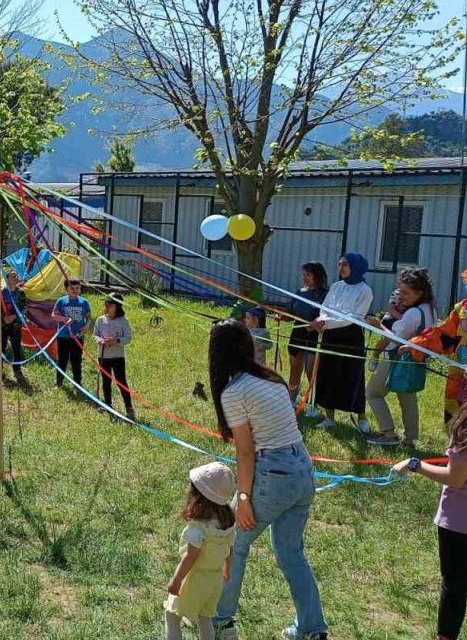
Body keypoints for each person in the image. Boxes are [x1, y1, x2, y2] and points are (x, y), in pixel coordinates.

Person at [208, 319, 328, 640]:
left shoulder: (235, 392)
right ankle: (313, 628)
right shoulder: (272, 380)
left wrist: (244, 499)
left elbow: (246, 453)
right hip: (303, 470)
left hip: (273, 474)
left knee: (232, 542)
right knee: (291, 554)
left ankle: (220, 622)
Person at [392, 352, 467, 640]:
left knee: (454, 585)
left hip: (460, 521)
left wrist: (416, 465)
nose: (465, 385)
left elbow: (456, 478)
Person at [408, 256, 467, 424]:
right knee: (461, 408)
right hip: (463, 370)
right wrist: (417, 344)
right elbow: (445, 333)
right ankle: (460, 445)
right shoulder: (464, 308)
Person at [363, 266, 436, 445]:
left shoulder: (412, 313)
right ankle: (411, 438)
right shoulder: (430, 309)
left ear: (419, 292)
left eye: (406, 292)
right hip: (415, 361)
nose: (401, 296)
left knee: (372, 393)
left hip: (396, 359)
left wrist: (378, 325)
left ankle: (388, 434)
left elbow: (395, 339)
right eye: (400, 291)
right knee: (407, 397)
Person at [164, 462, 237, 640]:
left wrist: (177, 580)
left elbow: (191, 557)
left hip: (193, 580)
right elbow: (230, 550)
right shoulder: (226, 525)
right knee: (205, 618)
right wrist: (227, 569)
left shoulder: (197, 528)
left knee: (172, 616)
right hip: (214, 580)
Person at [308, 252, 374, 430]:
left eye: (345, 264)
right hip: (330, 334)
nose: (341, 268)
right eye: (339, 265)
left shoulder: (365, 290)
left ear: (355, 266)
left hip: (350, 337)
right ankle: (329, 417)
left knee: (352, 376)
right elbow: (325, 308)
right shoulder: (336, 286)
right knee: (328, 374)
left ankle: (361, 418)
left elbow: (354, 317)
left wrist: (326, 322)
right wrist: (322, 320)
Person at [287, 262, 328, 404]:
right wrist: (282, 316)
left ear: (317, 276)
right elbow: (291, 312)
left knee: (311, 371)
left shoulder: (324, 295)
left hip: (314, 335)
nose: (305, 278)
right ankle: (291, 400)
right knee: (294, 368)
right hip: (298, 333)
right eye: (304, 275)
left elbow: (326, 315)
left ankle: (313, 402)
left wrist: (316, 322)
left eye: (308, 275)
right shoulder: (299, 293)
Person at [95, 295, 135, 421]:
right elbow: (95, 335)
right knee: (106, 382)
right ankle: (108, 404)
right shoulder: (100, 320)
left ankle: (128, 407)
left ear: (117, 306)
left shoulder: (123, 321)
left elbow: (128, 338)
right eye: (105, 304)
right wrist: (100, 340)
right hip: (103, 356)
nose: (106, 306)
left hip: (117, 357)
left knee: (121, 382)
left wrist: (116, 340)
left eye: (110, 304)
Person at [51, 278, 92, 389]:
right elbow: (54, 316)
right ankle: (59, 382)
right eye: (72, 288)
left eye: (77, 288)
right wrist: (64, 319)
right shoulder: (61, 301)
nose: (75, 290)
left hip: (78, 336)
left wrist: (86, 326)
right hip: (63, 335)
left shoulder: (84, 302)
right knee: (62, 359)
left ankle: (77, 383)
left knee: (76, 359)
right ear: (66, 289)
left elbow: (89, 318)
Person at [1, 270, 27, 379]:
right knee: (1, 347)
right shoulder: (2, 292)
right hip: (3, 325)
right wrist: (4, 317)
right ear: (7, 279)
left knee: (17, 348)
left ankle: (17, 370)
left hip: (16, 325)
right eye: (13, 276)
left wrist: (13, 317)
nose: (16, 278)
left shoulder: (20, 292)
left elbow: (24, 308)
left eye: (16, 276)